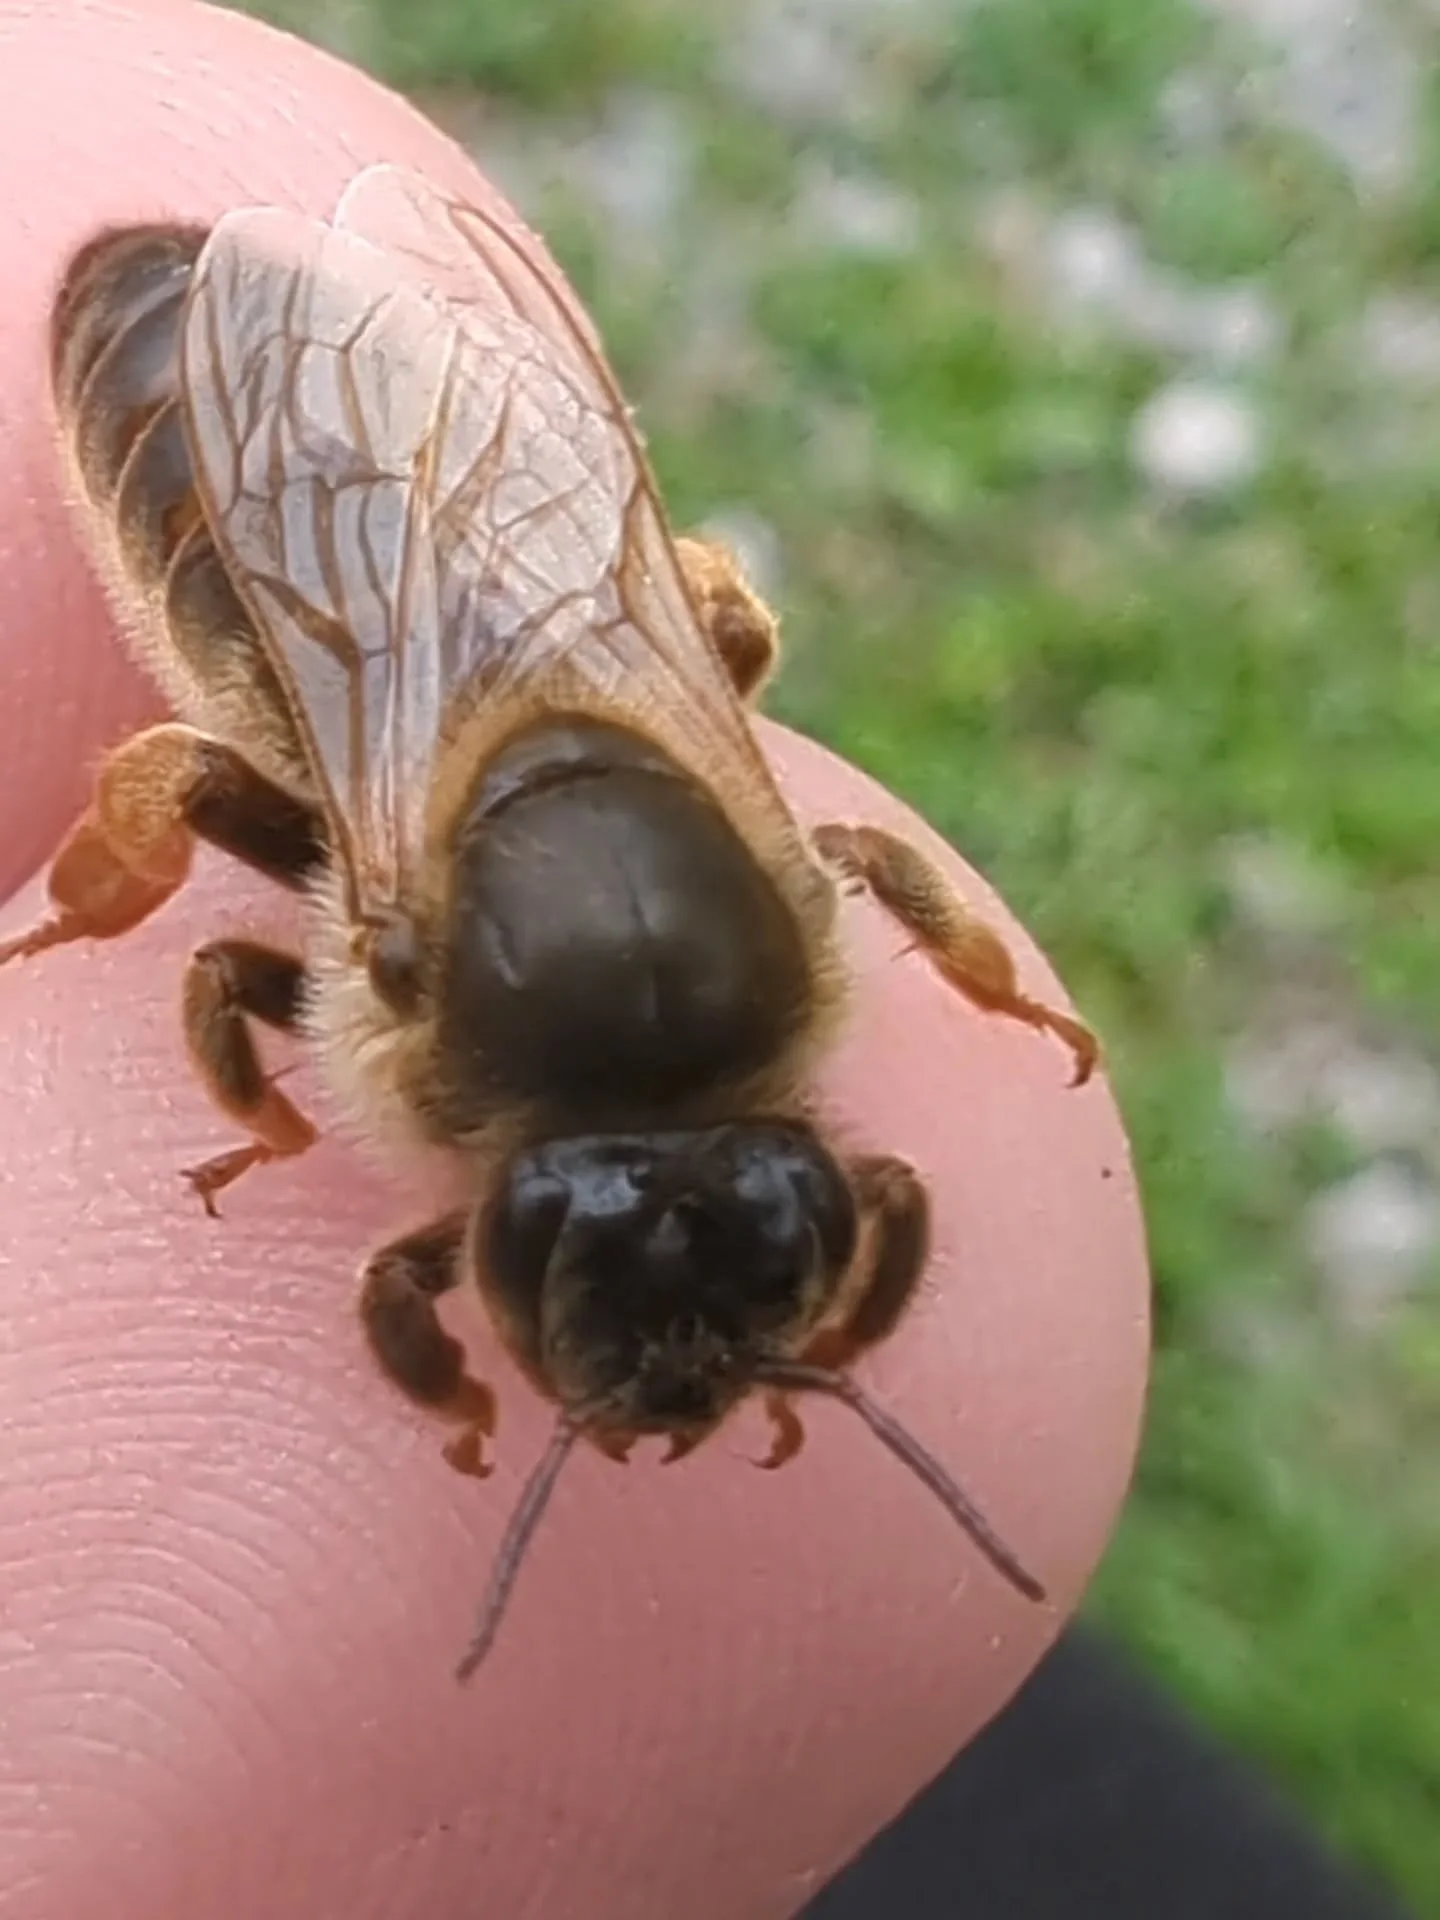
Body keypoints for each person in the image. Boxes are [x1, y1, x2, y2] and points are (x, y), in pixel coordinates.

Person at [0, 5, 1148, 1915]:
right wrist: (152, 996)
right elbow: (213, 954)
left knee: (697, 608)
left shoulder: (779, 920)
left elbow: (846, 854)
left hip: (460, 574)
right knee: (204, 774)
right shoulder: (435, 960)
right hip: (210, 463)